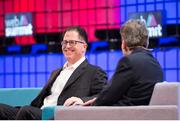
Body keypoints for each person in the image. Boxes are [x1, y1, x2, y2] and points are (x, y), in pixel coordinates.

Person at [0, 26, 107, 120]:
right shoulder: (56, 72)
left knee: (26, 111)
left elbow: (103, 97)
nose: (67, 46)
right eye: (65, 42)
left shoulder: (94, 72)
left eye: (72, 42)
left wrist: (80, 100)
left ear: (84, 47)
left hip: (56, 115)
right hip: (37, 111)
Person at [76, 19, 164, 106]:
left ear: (124, 43)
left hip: (124, 114)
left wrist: (92, 104)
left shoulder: (128, 62)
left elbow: (109, 95)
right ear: (147, 41)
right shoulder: (155, 63)